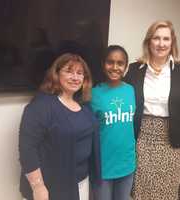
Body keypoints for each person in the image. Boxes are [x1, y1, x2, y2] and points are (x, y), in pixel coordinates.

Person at [19, 53, 101, 200]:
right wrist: (38, 186)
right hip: (51, 187)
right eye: (69, 71)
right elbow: (27, 149)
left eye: (79, 73)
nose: (75, 77)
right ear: (56, 74)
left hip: (80, 182)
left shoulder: (84, 104)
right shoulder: (40, 106)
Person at [124, 20, 180, 200]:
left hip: (172, 141)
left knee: (167, 192)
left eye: (166, 39)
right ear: (149, 41)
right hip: (141, 138)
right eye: (156, 38)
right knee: (140, 192)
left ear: (172, 42)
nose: (161, 44)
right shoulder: (133, 70)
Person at [90, 45, 136, 200]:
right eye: (110, 62)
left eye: (120, 63)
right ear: (103, 64)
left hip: (127, 163)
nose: (115, 67)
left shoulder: (131, 90)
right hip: (103, 167)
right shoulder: (93, 93)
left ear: (126, 66)